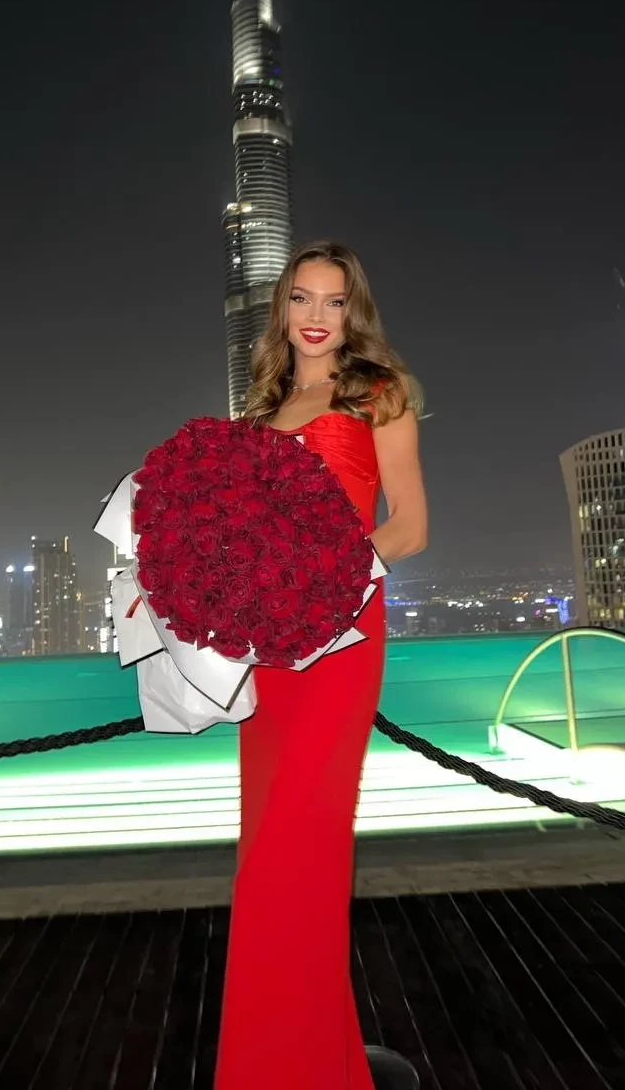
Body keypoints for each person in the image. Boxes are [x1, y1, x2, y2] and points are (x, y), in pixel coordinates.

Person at [214, 242, 429, 1090]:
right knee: (265, 863)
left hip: (339, 640)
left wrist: (326, 579)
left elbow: (410, 526)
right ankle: (310, 1065)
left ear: (352, 312)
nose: (315, 316)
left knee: (298, 857)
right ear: (282, 309)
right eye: (301, 298)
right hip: (268, 653)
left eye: (333, 302)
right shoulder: (261, 410)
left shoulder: (379, 392)